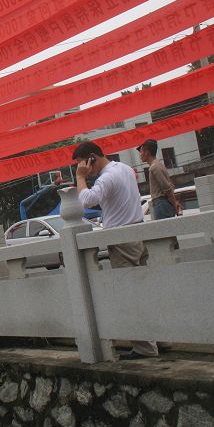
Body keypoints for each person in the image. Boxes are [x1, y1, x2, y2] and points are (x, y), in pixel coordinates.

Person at [72, 141, 158, 360]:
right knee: (144, 292)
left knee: (130, 295)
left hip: (122, 241)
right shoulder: (124, 169)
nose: (82, 168)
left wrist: (80, 178)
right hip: (137, 233)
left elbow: (87, 201)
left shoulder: (107, 177)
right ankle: (156, 340)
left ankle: (145, 348)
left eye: (82, 164)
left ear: (92, 158)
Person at [137, 139, 181, 219]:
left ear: (147, 152)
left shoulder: (154, 167)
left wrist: (174, 203)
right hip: (163, 203)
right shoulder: (159, 164)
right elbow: (169, 186)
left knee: (164, 226)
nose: (140, 155)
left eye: (141, 151)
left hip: (161, 204)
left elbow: (167, 187)